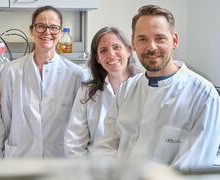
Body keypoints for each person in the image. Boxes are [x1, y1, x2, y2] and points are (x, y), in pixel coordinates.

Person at [93, 5, 220, 170]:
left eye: (160, 38)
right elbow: (106, 146)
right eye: (142, 39)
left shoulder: (204, 95)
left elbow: (194, 165)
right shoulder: (127, 89)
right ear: (133, 43)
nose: (151, 47)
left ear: (174, 40)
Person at [0, 5, 84, 158]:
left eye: (53, 27)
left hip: (59, 160)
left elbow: (79, 126)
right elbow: (4, 121)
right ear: (31, 30)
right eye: (41, 26)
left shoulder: (76, 74)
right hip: (19, 158)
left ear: (60, 32)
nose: (47, 32)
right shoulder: (11, 71)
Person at [64, 27, 140, 158]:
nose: (111, 54)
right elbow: (74, 143)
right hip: (96, 172)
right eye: (103, 50)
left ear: (128, 50)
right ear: (98, 58)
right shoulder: (87, 92)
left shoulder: (145, 85)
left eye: (116, 47)